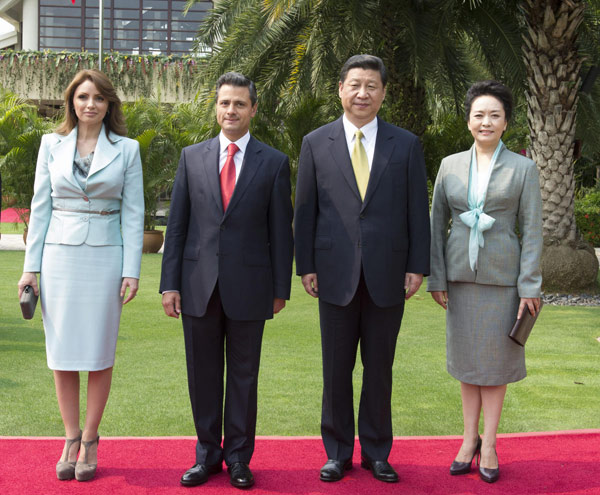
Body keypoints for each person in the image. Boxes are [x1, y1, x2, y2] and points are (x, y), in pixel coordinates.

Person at [294, 54, 431, 483]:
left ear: (383, 93)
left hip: (389, 274)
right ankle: (337, 452)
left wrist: (417, 266)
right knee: (335, 370)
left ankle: (376, 451)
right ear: (340, 89)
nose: (362, 93)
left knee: (380, 368)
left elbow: (416, 212)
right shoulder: (316, 143)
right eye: (355, 85)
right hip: (333, 274)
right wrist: (306, 266)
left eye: (371, 86)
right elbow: (305, 211)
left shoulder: (405, 144)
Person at [160, 72, 293, 489]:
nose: (230, 110)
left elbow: (280, 232)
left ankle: (238, 458)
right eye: (224, 103)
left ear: (253, 109)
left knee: (243, 376)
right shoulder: (191, 157)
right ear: (215, 108)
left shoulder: (273, 163)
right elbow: (177, 227)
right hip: (197, 286)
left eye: (239, 104)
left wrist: (280, 289)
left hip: (251, 289)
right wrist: (170, 284)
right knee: (201, 375)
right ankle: (206, 457)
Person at [17, 69, 144, 482]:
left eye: (99, 98)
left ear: (109, 105)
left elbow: (133, 211)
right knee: (63, 353)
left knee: (99, 351)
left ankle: (90, 439)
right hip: (58, 259)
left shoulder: (126, 149)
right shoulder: (50, 145)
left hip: (105, 259)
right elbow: (40, 208)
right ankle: (70, 437)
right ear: (71, 101)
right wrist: (30, 269)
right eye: (83, 96)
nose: (91, 104)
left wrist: (131, 271)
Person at [427, 80, 543, 484]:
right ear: (468, 120)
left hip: (503, 282)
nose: (486, 121)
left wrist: (530, 285)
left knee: (494, 365)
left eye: (494, 115)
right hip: (459, 278)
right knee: (467, 365)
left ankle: (490, 443)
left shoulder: (524, 169)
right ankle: (467, 439)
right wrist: (436, 277)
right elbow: (436, 222)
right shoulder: (449, 165)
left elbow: (532, 231)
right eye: (479, 114)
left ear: (506, 122)